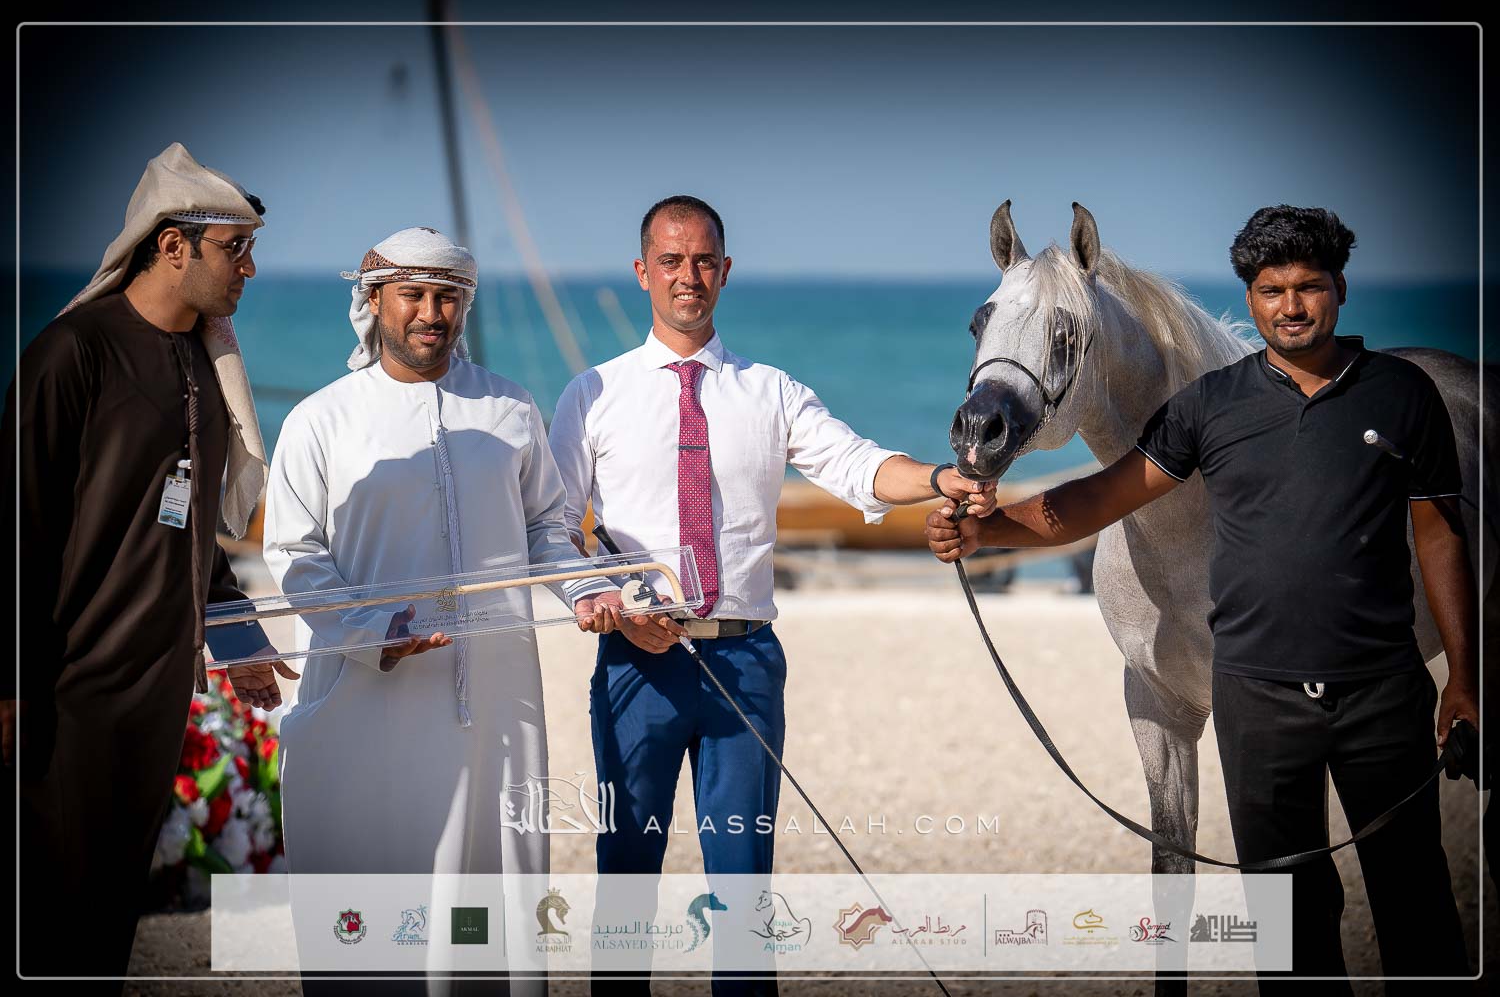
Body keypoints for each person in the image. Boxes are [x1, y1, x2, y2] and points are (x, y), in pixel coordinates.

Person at [926, 205, 1477, 987]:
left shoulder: (1403, 395)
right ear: (1250, 298)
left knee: (1415, 902)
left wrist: (1462, 673)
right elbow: (1099, 499)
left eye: (1309, 287)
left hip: (1381, 688)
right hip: (1260, 702)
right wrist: (990, 532)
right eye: (1272, 290)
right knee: (1287, 920)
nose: (1291, 306)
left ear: (1340, 290)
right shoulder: (1209, 404)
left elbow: (1439, 532)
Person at [546, 195, 996, 995]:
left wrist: (939, 478)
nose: (688, 276)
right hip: (636, 663)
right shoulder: (592, 393)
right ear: (643, 271)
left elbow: (857, 465)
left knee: (745, 882)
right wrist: (596, 599)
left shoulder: (772, 392)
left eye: (703, 261)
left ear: (725, 271)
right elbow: (551, 526)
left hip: (745, 660)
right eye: (671, 261)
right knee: (626, 869)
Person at [263, 227, 619, 996]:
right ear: (373, 302)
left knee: (490, 900)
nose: (432, 313)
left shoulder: (510, 406)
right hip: (364, 695)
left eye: (448, 297)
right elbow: (293, 553)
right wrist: (370, 634)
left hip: (495, 699)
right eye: (414, 295)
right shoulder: (321, 419)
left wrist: (585, 589)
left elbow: (544, 529)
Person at [4, 142, 292, 984]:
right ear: (173, 245)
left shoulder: (202, 364)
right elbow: (16, 526)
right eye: (234, 248)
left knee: (104, 929)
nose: (249, 268)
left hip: (157, 695)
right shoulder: (73, 354)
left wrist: (239, 641)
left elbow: (193, 535)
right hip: (67, 694)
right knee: (45, 922)